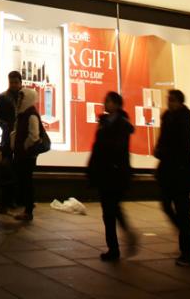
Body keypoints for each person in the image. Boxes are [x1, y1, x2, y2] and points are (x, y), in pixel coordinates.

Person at [87, 91, 136, 261]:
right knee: (109, 210)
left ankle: (118, 243)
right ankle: (115, 246)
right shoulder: (104, 122)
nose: (105, 104)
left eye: (108, 101)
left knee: (112, 208)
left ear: (116, 104)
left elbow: (116, 148)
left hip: (115, 172)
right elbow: (97, 146)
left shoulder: (121, 125)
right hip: (104, 172)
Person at [153, 89, 190, 266]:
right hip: (169, 170)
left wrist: (165, 152)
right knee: (167, 205)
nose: (169, 103)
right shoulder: (168, 117)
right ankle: (187, 240)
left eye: (172, 100)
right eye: (168, 100)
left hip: (180, 171)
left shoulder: (184, 119)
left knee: (182, 211)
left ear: (179, 102)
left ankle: (187, 252)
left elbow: (185, 145)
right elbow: (164, 140)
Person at [11, 87, 44, 222]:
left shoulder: (30, 114)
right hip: (22, 155)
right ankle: (27, 210)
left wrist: (24, 146)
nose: (19, 100)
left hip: (26, 156)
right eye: (19, 97)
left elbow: (34, 136)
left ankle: (28, 211)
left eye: (22, 97)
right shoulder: (23, 113)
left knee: (27, 183)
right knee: (24, 182)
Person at [0, 71, 23, 210]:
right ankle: (6, 201)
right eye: (12, 82)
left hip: (21, 139)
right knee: (7, 168)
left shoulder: (24, 97)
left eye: (16, 82)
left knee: (18, 169)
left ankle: (16, 200)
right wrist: (3, 125)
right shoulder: (2, 97)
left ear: (20, 83)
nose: (14, 85)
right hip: (7, 138)